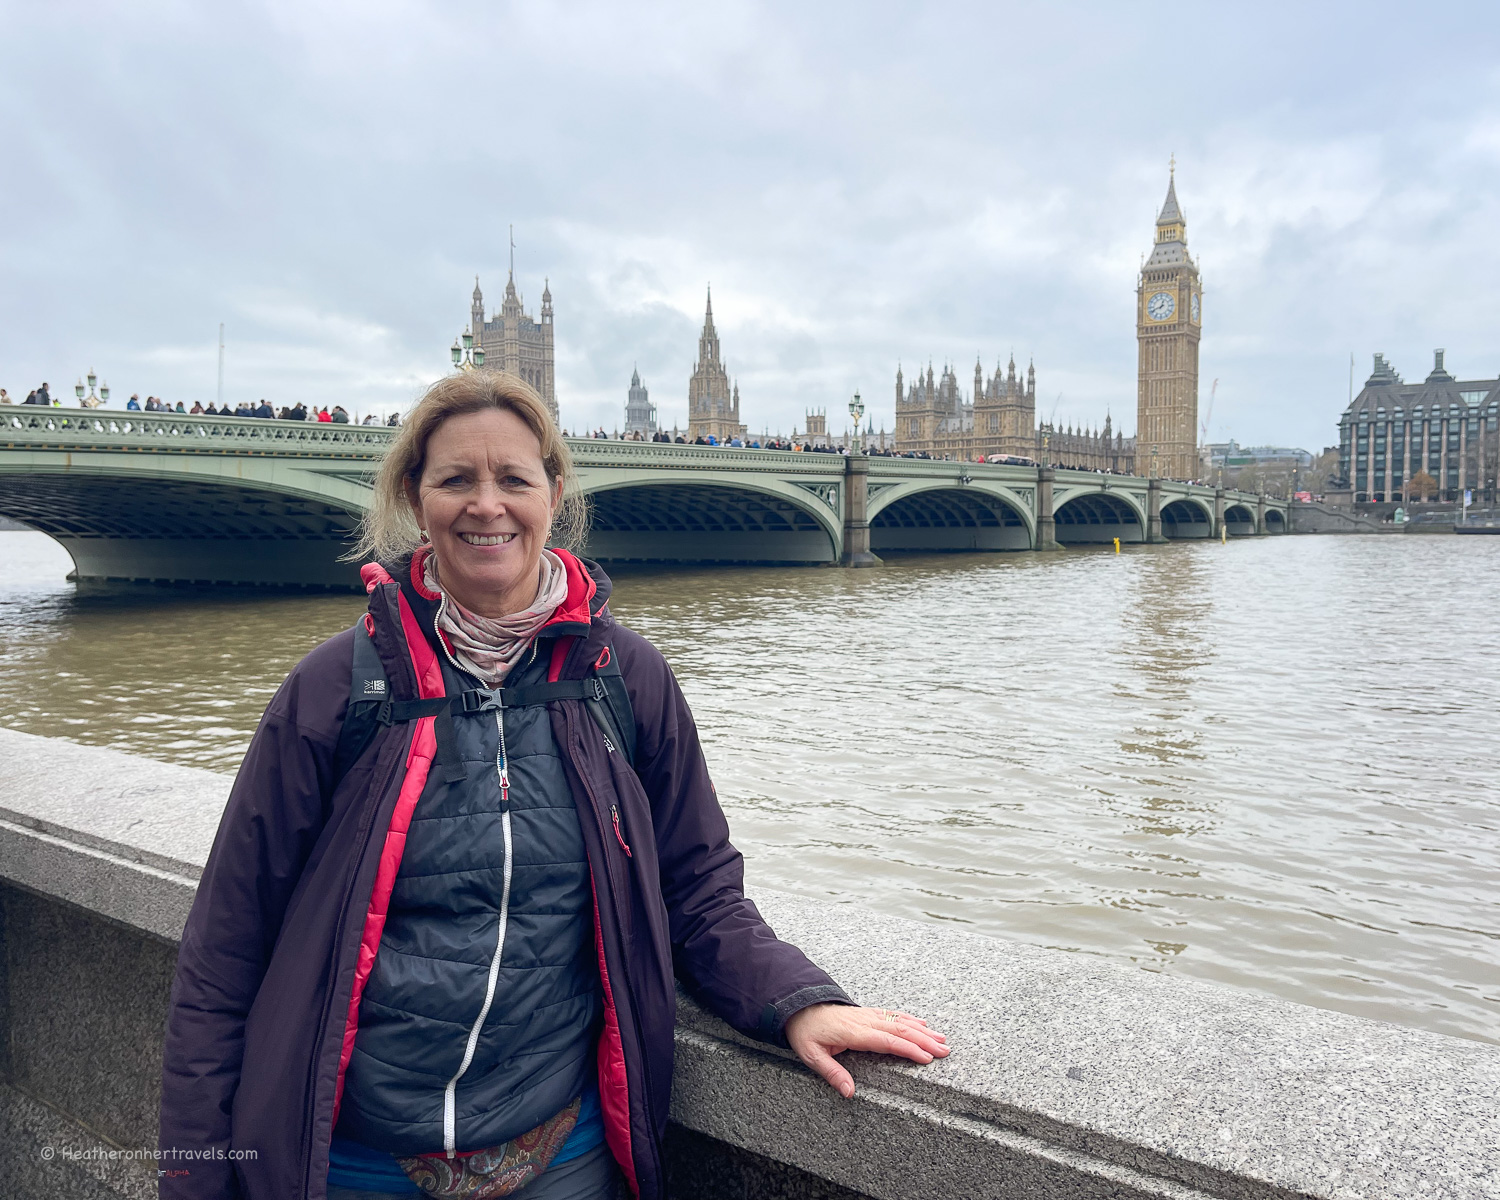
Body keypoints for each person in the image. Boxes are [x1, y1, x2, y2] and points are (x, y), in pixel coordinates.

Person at [159, 370, 947, 1200]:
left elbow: (698, 885)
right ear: (414, 497)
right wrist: (197, 1179)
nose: (486, 505)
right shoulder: (337, 688)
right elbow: (226, 952)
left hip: (559, 1158)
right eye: (456, 479)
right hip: (354, 1161)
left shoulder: (623, 676)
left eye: (514, 479)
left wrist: (794, 1000)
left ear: (554, 491)